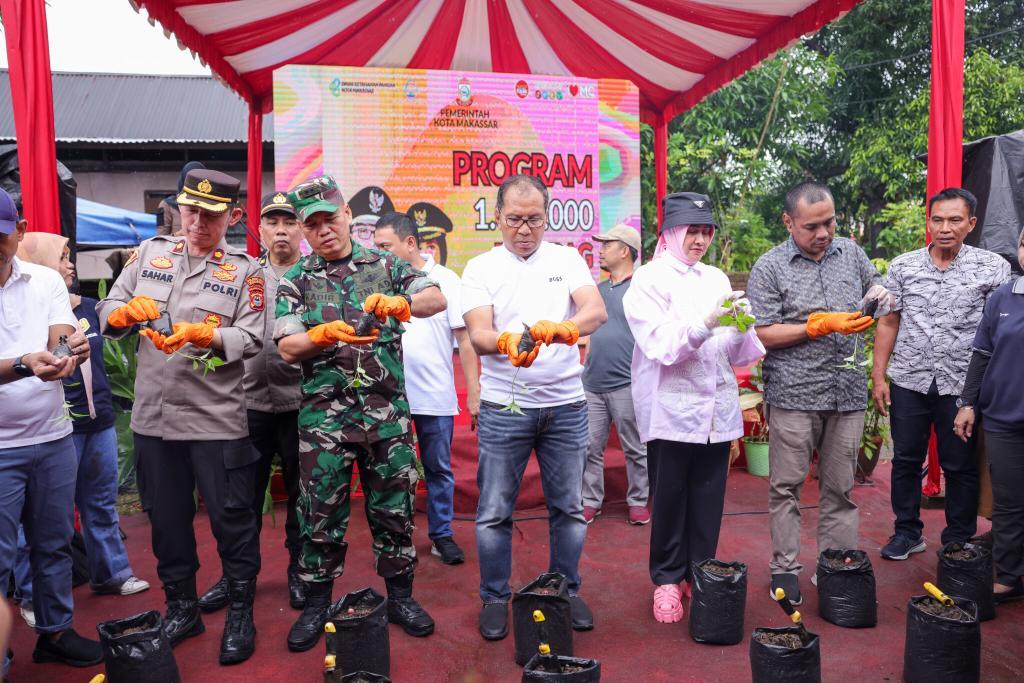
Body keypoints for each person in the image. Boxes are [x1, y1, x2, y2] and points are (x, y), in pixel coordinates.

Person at [98, 169, 265, 665]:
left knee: (232, 522)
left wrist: (204, 335)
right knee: (167, 523)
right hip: (154, 420)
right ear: (180, 208)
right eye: (191, 211)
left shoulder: (246, 271)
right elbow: (109, 305)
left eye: (212, 215)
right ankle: (182, 607)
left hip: (215, 422)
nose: (198, 223)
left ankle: (239, 611)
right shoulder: (151, 254)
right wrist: (122, 315)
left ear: (232, 217)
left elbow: (254, 339)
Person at [274, 175, 446, 652]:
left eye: (331, 217)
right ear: (305, 232)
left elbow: (436, 298)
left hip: (386, 418)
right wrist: (326, 334)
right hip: (324, 425)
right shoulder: (296, 280)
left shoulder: (387, 264)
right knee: (319, 518)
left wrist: (402, 301)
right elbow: (288, 346)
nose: (325, 229)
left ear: (348, 215)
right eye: (314, 224)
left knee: (395, 515)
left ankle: (402, 598)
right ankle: (315, 605)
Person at [461, 174, 607, 641]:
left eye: (534, 219)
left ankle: (564, 587)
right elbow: (479, 334)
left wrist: (562, 329)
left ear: (548, 218)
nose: (524, 229)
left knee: (567, 507)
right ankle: (495, 596)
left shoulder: (567, 259)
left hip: (566, 405)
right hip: (507, 407)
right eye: (514, 219)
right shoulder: (481, 267)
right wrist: (504, 340)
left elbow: (595, 311)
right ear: (497, 218)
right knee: (494, 509)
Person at [747, 181, 891, 605]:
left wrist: (879, 296)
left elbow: (875, 292)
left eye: (829, 221)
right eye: (812, 226)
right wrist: (816, 325)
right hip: (794, 392)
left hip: (846, 392)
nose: (824, 233)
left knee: (840, 488)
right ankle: (785, 567)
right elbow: (763, 333)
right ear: (789, 222)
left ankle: (834, 564)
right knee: (786, 486)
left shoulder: (852, 253)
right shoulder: (769, 267)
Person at [624, 194, 765, 623]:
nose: (700, 239)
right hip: (670, 408)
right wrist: (706, 323)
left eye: (706, 231)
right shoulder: (648, 280)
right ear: (670, 232)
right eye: (693, 231)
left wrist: (741, 323)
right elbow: (662, 347)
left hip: (715, 406)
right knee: (669, 497)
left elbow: (738, 354)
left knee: (708, 497)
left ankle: (700, 571)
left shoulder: (716, 277)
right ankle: (666, 579)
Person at [12, 233, 149, 627]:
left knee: (101, 503)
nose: (71, 266)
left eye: (70, 257)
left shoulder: (89, 307)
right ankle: (31, 593)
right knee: (39, 519)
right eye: (63, 258)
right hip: (54, 428)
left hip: (98, 422)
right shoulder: (28, 314)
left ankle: (111, 574)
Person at [872, 188, 1011, 561]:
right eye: (937, 219)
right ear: (928, 221)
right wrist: (879, 376)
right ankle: (906, 531)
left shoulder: (992, 267)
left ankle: (958, 537)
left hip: (962, 386)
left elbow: (1001, 328)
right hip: (909, 379)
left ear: (971, 223)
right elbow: (889, 321)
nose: (945, 228)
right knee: (905, 458)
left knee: (959, 464)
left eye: (954, 220)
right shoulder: (903, 266)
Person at [0, 187, 101, 670]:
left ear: (19, 232)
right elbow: (25, 358)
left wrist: (70, 351)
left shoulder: (43, 280)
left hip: (52, 435)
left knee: (53, 544)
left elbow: (60, 334)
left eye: (0, 236)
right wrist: (21, 364)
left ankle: (55, 632)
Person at [198, 192, 307, 614]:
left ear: (301, 230)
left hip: (302, 404)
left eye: (289, 222)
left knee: (302, 497)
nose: (281, 229)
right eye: (273, 222)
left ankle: (300, 571)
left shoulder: (314, 275)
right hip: (247, 405)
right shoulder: (241, 274)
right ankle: (236, 577)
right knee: (240, 500)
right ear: (259, 230)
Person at [372, 211, 481, 565]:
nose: (380, 253)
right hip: (389, 398)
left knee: (438, 469)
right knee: (394, 472)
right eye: (375, 247)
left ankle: (442, 535)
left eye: (385, 246)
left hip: (434, 395)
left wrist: (474, 392)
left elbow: (464, 341)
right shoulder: (376, 279)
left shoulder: (445, 280)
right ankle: (398, 538)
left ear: (410, 243)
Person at [954, 226, 1024, 603]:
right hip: (1005, 421)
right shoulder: (1004, 296)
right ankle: (1011, 575)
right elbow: (981, 352)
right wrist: (968, 402)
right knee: (1009, 502)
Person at [581, 224, 649, 525]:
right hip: (592, 382)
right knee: (588, 447)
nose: (601, 248)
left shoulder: (643, 289)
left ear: (624, 251)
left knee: (635, 447)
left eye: (607, 244)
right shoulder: (597, 290)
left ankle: (638, 501)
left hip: (627, 382)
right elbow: (592, 332)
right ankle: (589, 501)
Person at [157, 161, 206, 236]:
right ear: (184, 181)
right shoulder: (166, 205)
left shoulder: (210, 205)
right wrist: (180, 234)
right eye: (190, 180)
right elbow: (160, 240)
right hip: (175, 246)